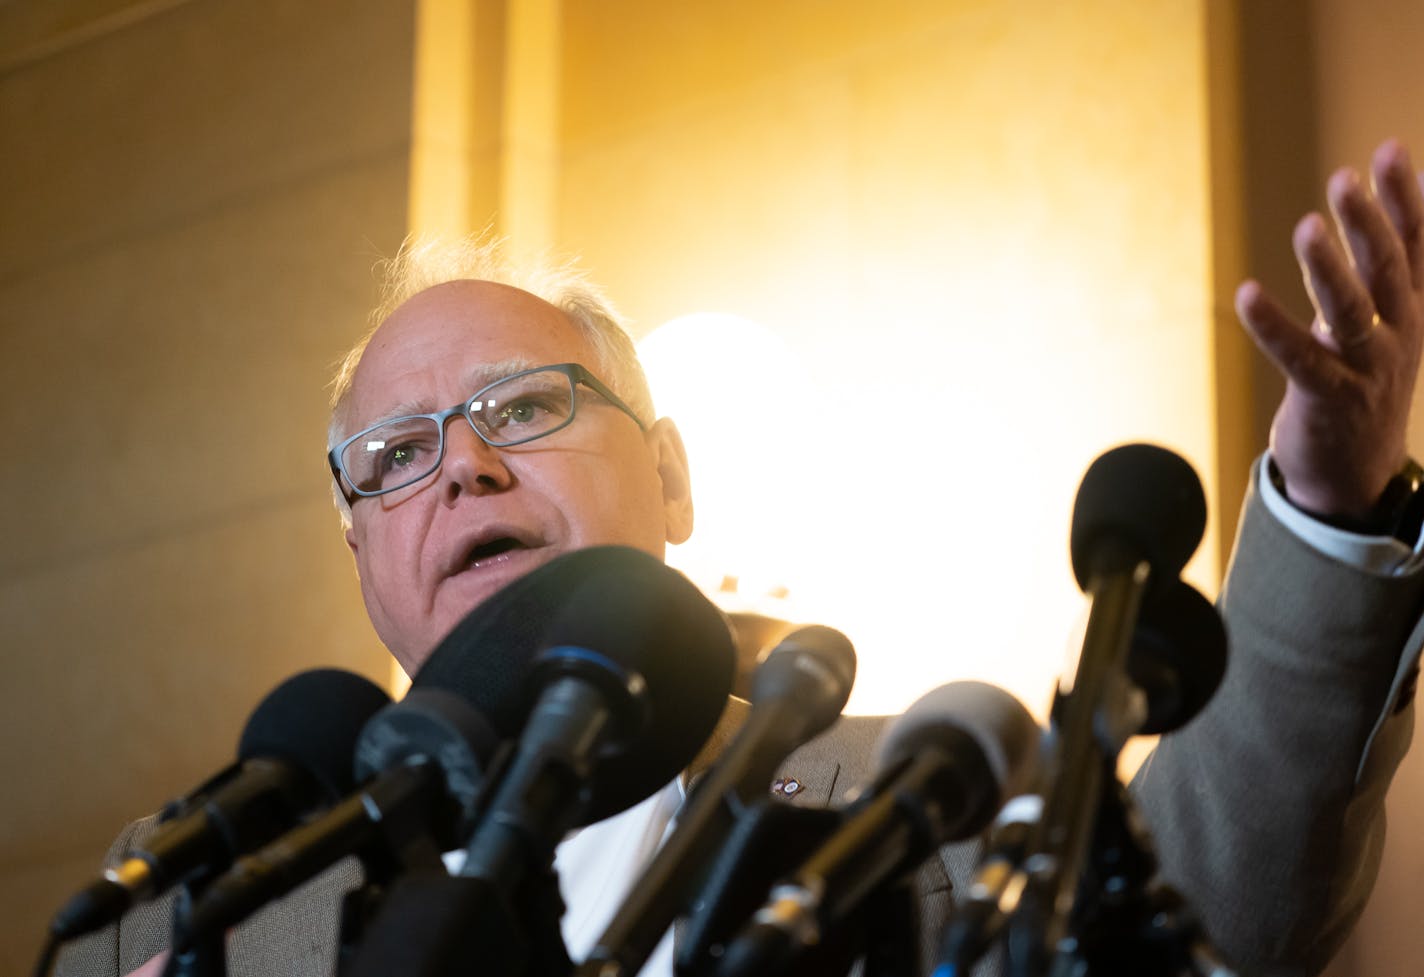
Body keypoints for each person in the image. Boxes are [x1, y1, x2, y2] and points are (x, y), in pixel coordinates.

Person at [58, 137, 1424, 977]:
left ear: (671, 479)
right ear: (362, 551)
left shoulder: (902, 793)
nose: (463, 464)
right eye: (399, 453)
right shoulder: (242, 895)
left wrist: (1325, 500)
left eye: (524, 408)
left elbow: (1211, 904)